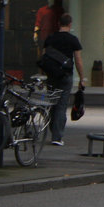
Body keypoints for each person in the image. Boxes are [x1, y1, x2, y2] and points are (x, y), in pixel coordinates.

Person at [42, 12, 84, 146]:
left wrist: (44, 73)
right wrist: (82, 78)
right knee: (61, 105)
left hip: (52, 75)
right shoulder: (73, 40)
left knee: (52, 103)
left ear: (58, 23)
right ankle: (57, 136)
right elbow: (78, 60)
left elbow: (44, 57)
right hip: (66, 76)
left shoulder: (50, 38)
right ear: (70, 24)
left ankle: (53, 128)